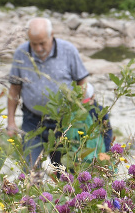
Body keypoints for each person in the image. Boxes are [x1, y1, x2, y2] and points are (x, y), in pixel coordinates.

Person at [7, 17, 91, 168]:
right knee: (31, 169)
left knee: (64, 169)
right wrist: (11, 121)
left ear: (51, 35)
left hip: (63, 122)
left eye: (42, 43)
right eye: (34, 44)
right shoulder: (21, 53)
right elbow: (14, 89)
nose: (38, 48)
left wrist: (80, 111)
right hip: (32, 120)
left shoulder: (68, 51)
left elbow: (82, 82)